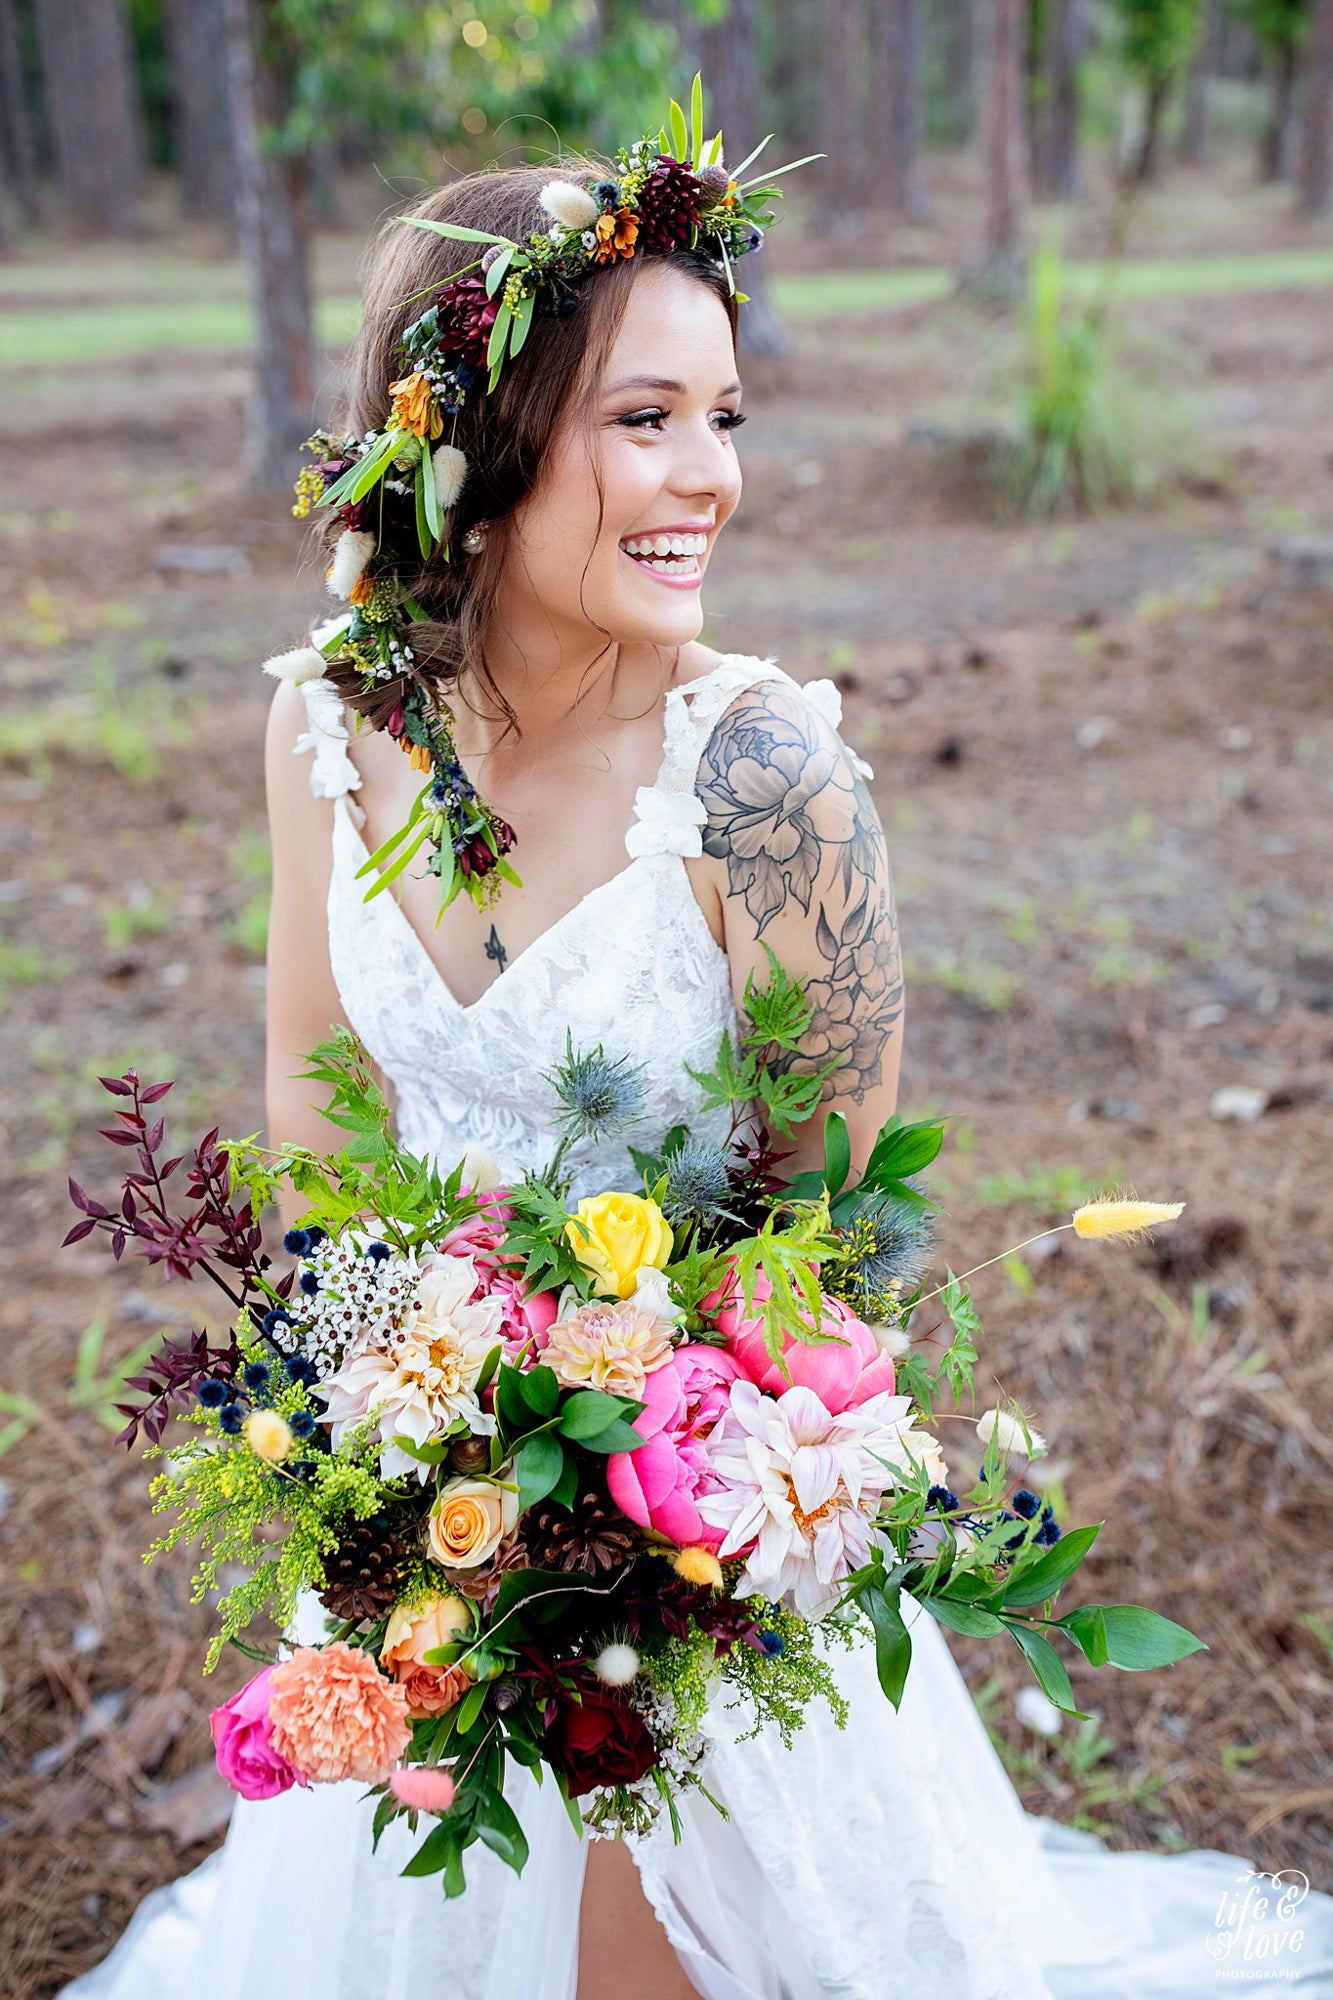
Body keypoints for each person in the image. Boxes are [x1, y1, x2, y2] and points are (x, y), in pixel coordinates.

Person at [62, 154, 1333, 2000]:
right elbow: (304, 1069)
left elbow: (838, 1238)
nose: (710, 476)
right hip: (431, 1498)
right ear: (475, 444)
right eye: (642, 418)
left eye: (722, 414)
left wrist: (633, 1514)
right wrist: (382, 1439)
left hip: (695, 1542)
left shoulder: (765, 790)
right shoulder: (331, 719)